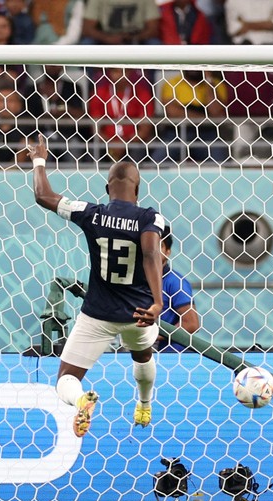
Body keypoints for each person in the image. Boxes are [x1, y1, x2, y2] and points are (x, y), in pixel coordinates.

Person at [27, 135, 164, 435]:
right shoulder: (150, 217)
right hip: (139, 314)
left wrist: (39, 160)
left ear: (106, 188)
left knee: (66, 378)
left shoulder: (91, 213)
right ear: (138, 190)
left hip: (97, 314)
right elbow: (151, 253)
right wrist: (157, 302)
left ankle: (81, 401)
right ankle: (144, 403)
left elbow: (43, 195)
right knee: (142, 355)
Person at [158, 225, 200, 352]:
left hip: (167, 354)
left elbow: (192, 324)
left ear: (168, 251)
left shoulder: (175, 282)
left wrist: (153, 336)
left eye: (158, 246)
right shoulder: (136, 280)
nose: (153, 250)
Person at [80, 0, 161, 46]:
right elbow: (87, 29)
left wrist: (133, 38)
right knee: (87, 43)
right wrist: (107, 38)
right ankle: (86, 72)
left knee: (154, 44)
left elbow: (153, 30)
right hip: (105, 37)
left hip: (137, 37)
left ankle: (154, 72)